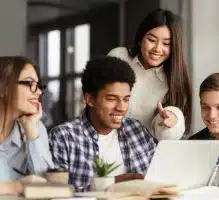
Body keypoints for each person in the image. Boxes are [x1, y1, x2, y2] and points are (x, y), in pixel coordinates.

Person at [49, 56, 156, 191]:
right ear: (90, 99)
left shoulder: (137, 131)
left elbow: (158, 178)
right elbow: (57, 194)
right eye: (112, 99)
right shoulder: (63, 136)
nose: (122, 108)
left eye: (126, 99)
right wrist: (112, 183)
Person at [107, 8, 192, 140]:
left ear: (174, 47)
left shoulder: (172, 80)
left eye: (166, 43)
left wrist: (170, 123)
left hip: (140, 151)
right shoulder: (119, 57)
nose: (157, 49)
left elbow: (165, 135)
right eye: (151, 40)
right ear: (141, 39)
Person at [0, 57, 53, 194]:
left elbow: (48, 186)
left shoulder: (36, 127)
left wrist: (32, 133)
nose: (39, 92)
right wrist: (15, 187)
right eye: (30, 83)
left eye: (38, 85)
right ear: (3, 88)